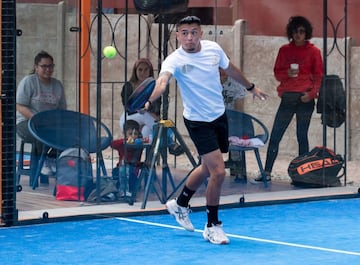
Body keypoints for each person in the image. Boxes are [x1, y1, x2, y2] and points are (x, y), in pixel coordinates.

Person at [143, 16, 268, 245]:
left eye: (193, 32)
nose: (189, 37)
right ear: (177, 36)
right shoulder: (174, 60)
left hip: (218, 116)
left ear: (201, 33)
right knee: (218, 172)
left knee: (206, 167)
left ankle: (180, 204)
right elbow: (162, 83)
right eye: (184, 33)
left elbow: (230, 69)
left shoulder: (214, 49)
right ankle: (212, 225)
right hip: (197, 121)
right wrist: (149, 101)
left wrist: (250, 87)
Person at [251, 16, 323, 183]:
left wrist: (312, 95)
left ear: (306, 33)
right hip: (289, 96)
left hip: (305, 97)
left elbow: (319, 77)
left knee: (301, 135)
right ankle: (267, 172)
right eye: (295, 31)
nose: (298, 35)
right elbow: (277, 73)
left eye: (301, 31)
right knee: (276, 133)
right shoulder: (284, 50)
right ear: (291, 33)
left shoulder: (314, 52)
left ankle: (302, 174)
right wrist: (286, 74)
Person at [16, 50, 67, 179]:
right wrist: (36, 119)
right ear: (36, 67)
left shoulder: (57, 85)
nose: (48, 69)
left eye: (50, 66)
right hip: (26, 122)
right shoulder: (29, 82)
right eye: (44, 66)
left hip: (49, 124)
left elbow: (62, 110)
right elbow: (19, 105)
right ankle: (39, 165)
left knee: (67, 135)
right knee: (39, 134)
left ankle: (49, 160)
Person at [120, 58, 161, 140]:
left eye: (146, 70)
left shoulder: (153, 86)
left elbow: (157, 106)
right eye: (140, 70)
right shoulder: (129, 86)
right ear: (135, 71)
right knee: (152, 120)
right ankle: (170, 142)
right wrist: (151, 114)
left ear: (150, 71)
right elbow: (129, 107)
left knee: (147, 131)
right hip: (130, 117)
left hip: (148, 117)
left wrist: (153, 114)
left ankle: (148, 151)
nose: (143, 73)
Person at [220, 68, 247, 179]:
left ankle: (238, 169)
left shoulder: (236, 83)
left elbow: (239, 111)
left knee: (237, 129)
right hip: (212, 120)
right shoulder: (208, 82)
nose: (220, 71)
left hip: (231, 121)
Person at [111, 120, 143, 198]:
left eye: (135, 134)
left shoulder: (138, 144)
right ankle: (121, 190)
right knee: (120, 170)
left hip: (132, 170)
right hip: (120, 169)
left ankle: (125, 191)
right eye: (130, 134)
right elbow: (112, 144)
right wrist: (124, 142)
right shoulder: (122, 144)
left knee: (127, 170)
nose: (133, 136)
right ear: (124, 133)